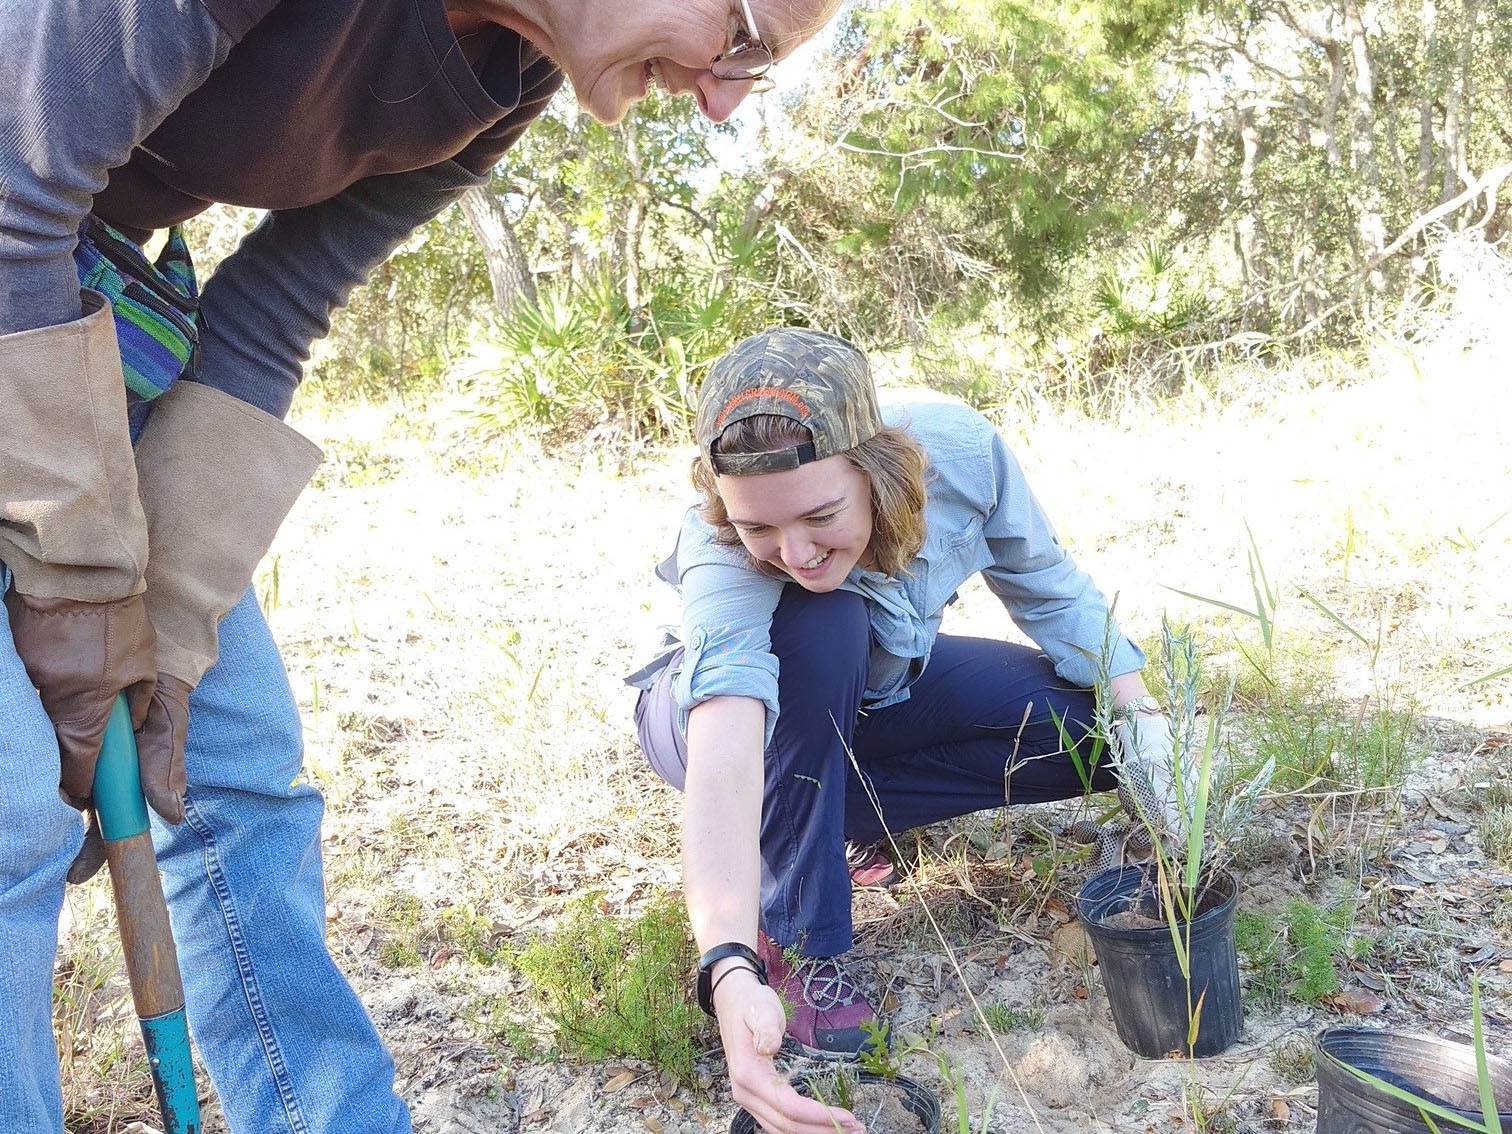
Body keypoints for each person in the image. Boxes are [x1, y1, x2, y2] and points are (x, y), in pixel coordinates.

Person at [0, 0, 843, 1130]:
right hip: (20, 263)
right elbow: (18, 186)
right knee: (14, 812)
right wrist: (76, 577)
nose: (726, 95)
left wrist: (174, 612)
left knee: (231, 766)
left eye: (761, 72)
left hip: (66, 301)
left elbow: (273, 310)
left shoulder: (508, 80)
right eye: (743, 40)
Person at [630, 327, 1191, 1134]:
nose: (792, 551)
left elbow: (1047, 584)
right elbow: (727, 730)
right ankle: (802, 938)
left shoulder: (962, 452)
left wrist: (1142, 715)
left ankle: (820, 825)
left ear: (882, 470)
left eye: (821, 515)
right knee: (825, 617)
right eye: (760, 529)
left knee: (1088, 735)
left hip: (877, 693)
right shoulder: (720, 549)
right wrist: (726, 960)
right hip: (716, 717)